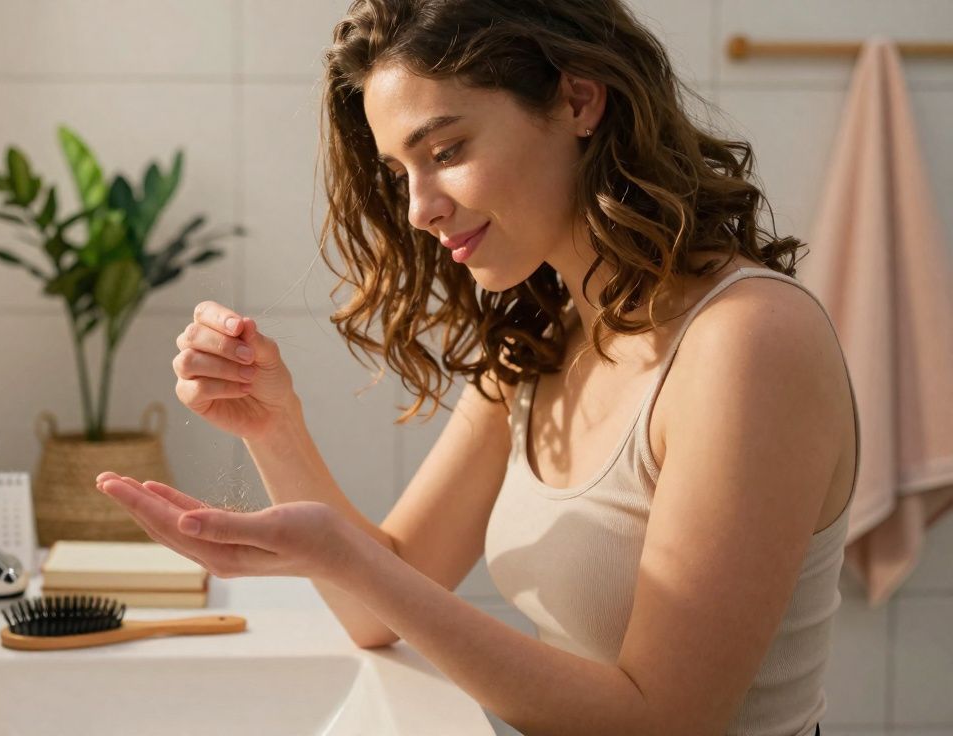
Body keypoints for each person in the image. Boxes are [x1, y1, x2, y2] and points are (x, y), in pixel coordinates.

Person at [96, 1, 855, 734]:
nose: (420, 207)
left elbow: (664, 721)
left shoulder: (749, 341)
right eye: (401, 172)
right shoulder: (547, 338)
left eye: (447, 151)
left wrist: (347, 557)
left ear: (579, 101)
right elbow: (378, 605)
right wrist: (273, 425)